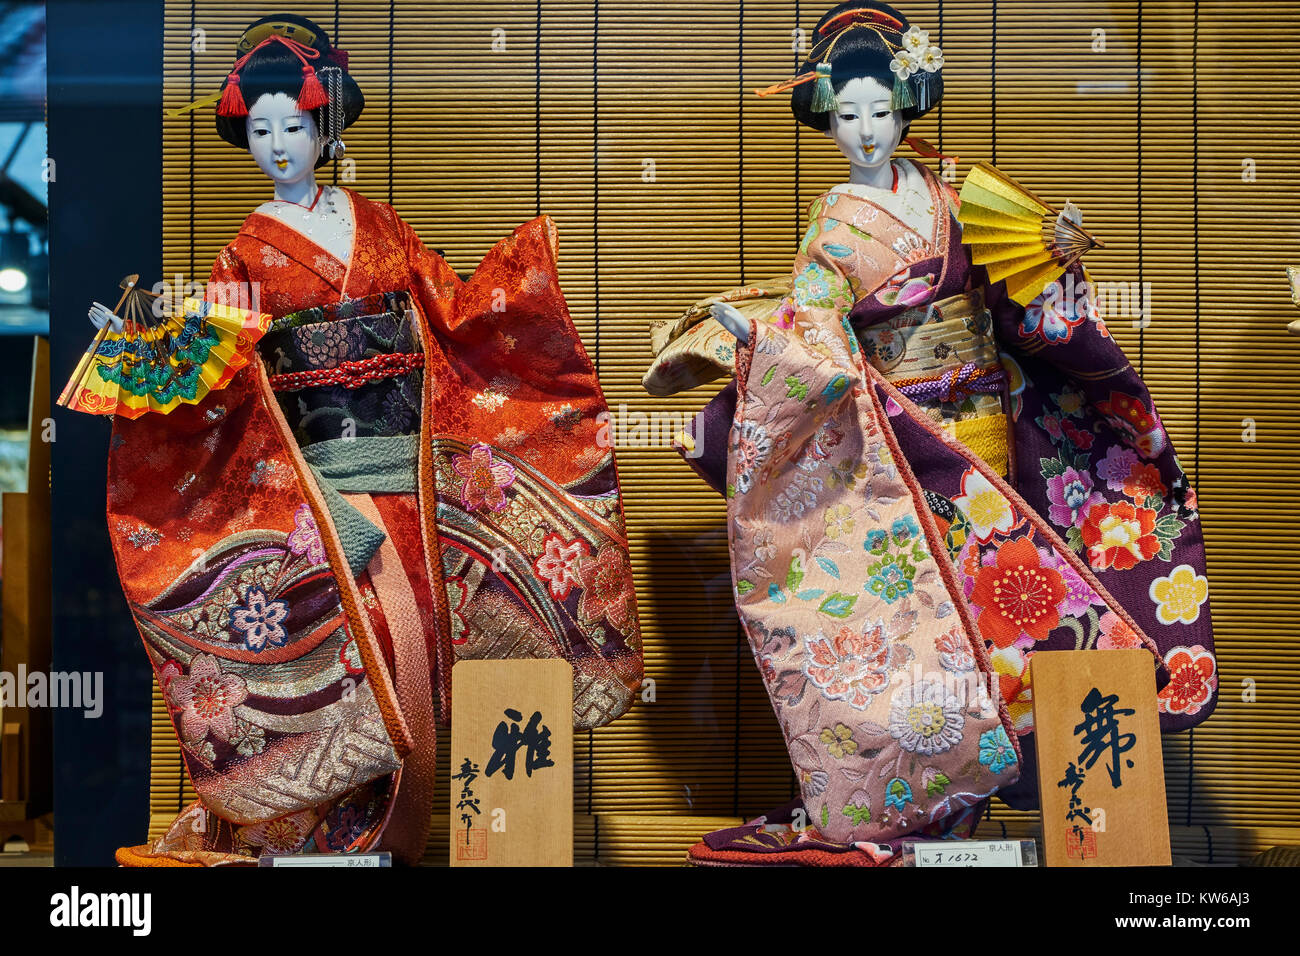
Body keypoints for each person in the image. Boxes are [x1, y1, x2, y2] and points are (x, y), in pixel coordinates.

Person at [93, 13, 641, 865]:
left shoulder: (383, 228)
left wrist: (520, 279)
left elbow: (455, 322)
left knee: (425, 665)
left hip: (412, 488)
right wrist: (159, 371)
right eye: (263, 129)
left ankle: (409, 845)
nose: (280, 145)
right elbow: (229, 392)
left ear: (325, 126)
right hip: (318, 498)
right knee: (358, 670)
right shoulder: (244, 256)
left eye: (295, 126)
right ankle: (335, 845)